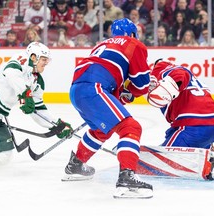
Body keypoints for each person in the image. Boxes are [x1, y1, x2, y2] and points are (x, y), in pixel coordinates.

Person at [62, 18, 153, 199]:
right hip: (94, 88)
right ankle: (127, 177)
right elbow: (142, 83)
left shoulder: (101, 45)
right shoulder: (133, 43)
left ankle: (76, 165)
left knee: (101, 130)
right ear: (132, 33)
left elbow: (108, 71)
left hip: (77, 89)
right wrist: (131, 92)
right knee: (131, 127)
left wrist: (120, 93)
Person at [0, 42, 73, 165]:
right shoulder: (22, 59)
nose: (46, 63)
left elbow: (38, 109)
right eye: (43, 59)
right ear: (33, 57)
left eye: (47, 60)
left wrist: (55, 125)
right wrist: (25, 93)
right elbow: (10, 72)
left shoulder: (38, 82)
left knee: (3, 156)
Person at [138, 59, 214, 180]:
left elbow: (179, 74)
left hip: (194, 127)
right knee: (171, 136)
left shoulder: (163, 72)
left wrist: (168, 83)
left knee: (161, 162)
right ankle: (206, 155)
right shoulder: (191, 77)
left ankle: (206, 164)